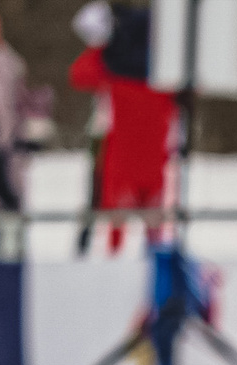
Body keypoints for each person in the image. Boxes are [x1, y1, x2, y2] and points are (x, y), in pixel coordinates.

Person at [68, 3, 174, 254]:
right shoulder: (165, 79)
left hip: (121, 160)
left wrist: (102, 47)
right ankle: (155, 278)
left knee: (115, 232)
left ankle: (112, 271)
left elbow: (79, 75)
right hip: (154, 161)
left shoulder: (112, 73)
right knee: (154, 233)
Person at [0, 8, 28, 260]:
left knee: (9, 204)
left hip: (2, 147)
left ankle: (13, 261)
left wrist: (6, 140)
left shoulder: (6, 63)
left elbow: (8, 108)